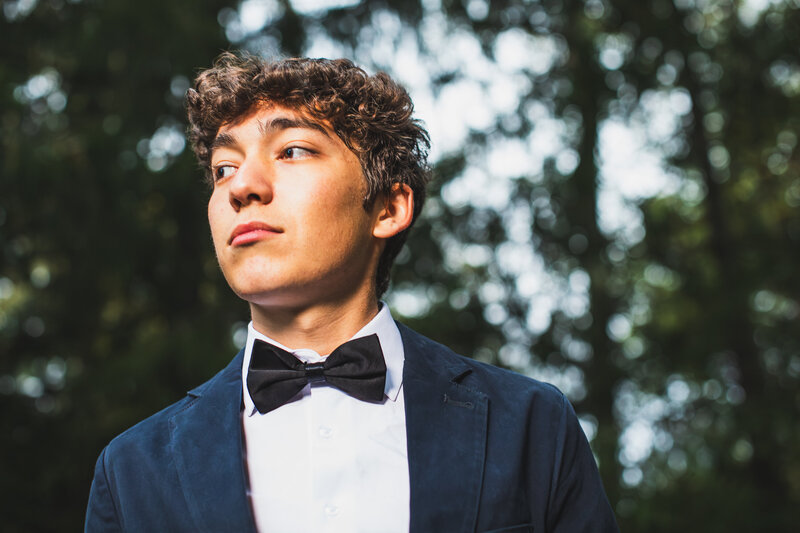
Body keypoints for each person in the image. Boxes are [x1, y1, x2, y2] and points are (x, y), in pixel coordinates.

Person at [85, 53, 619, 533]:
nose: (241, 186)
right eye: (224, 168)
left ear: (388, 208)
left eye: (291, 150)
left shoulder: (530, 425)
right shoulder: (132, 469)